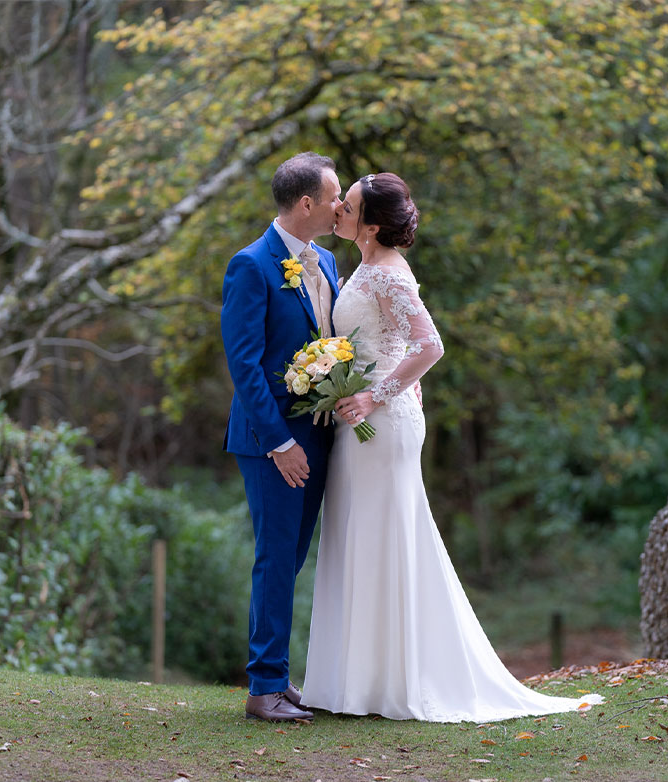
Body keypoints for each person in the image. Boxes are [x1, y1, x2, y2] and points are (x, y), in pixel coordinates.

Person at [301, 172, 604, 722]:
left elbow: (429, 344)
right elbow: (383, 341)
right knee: (357, 536)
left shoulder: (389, 274)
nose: (337, 212)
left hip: (382, 424)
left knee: (383, 536)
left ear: (370, 226)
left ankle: (392, 683)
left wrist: (375, 394)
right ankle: (356, 682)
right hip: (361, 421)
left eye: (346, 207)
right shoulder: (363, 266)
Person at [221, 152, 342, 722]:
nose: (341, 204)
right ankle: (264, 686)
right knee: (275, 558)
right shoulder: (252, 265)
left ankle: (278, 677)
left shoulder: (330, 263)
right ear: (306, 204)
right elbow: (244, 366)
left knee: (291, 559)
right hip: (272, 442)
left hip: (319, 434)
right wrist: (280, 442)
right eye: (334, 195)